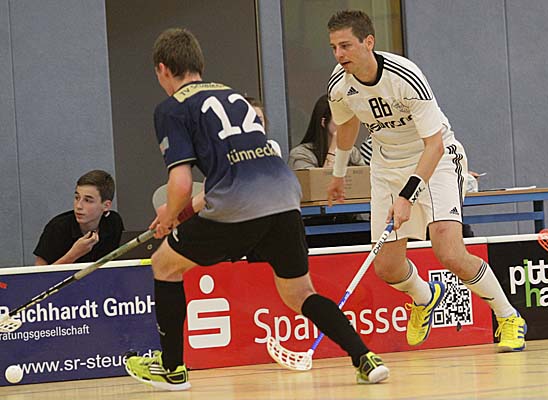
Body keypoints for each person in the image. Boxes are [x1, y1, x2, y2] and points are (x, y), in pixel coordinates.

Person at [124, 28, 388, 391]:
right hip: (284, 198)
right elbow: (231, 172)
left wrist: (170, 217)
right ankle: (365, 358)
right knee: (300, 294)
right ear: (199, 64)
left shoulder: (171, 108)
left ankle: (172, 370)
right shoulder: (231, 95)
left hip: (239, 206)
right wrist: (176, 212)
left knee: (164, 265)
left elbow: (182, 183)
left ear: (162, 69)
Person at [326, 10, 526, 353]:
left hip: (436, 160)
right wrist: (338, 173)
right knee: (387, 268)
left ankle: (509, 317)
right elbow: (346, 125)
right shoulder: (339, 86)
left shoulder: (405, 76)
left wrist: (407, 196)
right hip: (387, 168)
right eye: (333, 47)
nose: (339, 54)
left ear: (368, 42)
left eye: (345, 45)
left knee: (449, 252)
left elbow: (434, 145)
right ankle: (424, 296)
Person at [33, 170, 123, 265]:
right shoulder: (57, 227)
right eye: (77, 198)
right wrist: (74, 254)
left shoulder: (114, 222)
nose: (78, 206)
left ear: (106, 206)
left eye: (87, 200)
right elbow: (39, 272)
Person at [288, 94, 364, 169]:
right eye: (340, 119)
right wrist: (334, 148)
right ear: (324, 122)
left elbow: (363, 175)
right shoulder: (300, 154)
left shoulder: (352, 152)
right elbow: (324, 177)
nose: (347, 123)